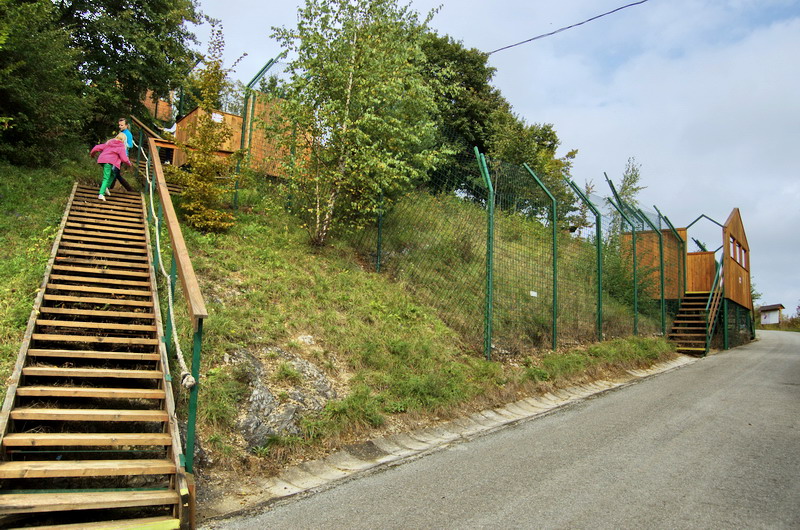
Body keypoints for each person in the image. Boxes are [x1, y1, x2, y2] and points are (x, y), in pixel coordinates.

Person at [90, 133, 131, 201]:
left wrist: (92, 154)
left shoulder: (109, 143)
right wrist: (129, 164)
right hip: (108, 162)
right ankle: (101, 194)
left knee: (113, 174)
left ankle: (106, 187)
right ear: (124, 140)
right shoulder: (121, 147)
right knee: (106, 177)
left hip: (102, 160)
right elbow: (124, 158)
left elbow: (96, 147)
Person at [109, 117, 135, 192]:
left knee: (115, 172)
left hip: (122, 155)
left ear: (126, 125)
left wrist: (123, 144)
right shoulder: (121, 133)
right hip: (117, 154)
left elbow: (131, 145)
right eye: (119, 125)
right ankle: (110, 187)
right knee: (115, 172)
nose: (120, 127)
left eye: (122, 125)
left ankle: (129, 189)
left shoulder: (128, 134)